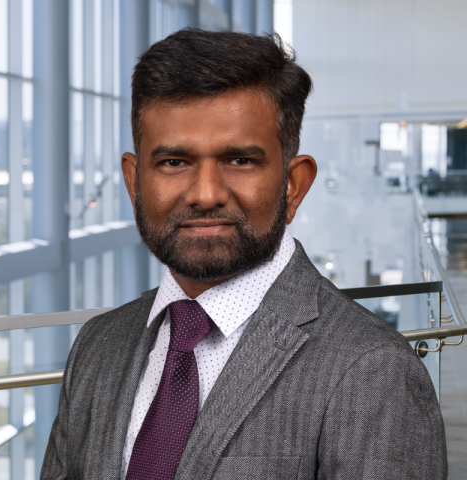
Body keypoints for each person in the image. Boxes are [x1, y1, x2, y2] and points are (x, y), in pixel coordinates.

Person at [41, 29, 447, 479]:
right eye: (174, 162)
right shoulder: (99, 345)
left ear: (293, 186)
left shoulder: (372, 370)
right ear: (135, 183)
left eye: (240, 160)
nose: (206, 194)